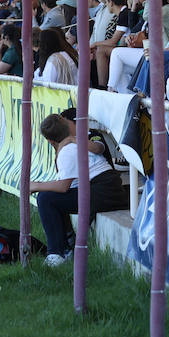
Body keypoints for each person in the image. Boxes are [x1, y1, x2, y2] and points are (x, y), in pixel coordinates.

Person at [31, 114, 128, 266]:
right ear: (69, 126)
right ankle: (67, 243)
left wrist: (36, 185)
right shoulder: (82, 141)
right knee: (50, 196)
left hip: (103, 192)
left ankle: (57, 253)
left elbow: (63, 187)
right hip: (109, 189)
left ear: (50, 141)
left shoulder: (68, 150)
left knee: (45, 199)